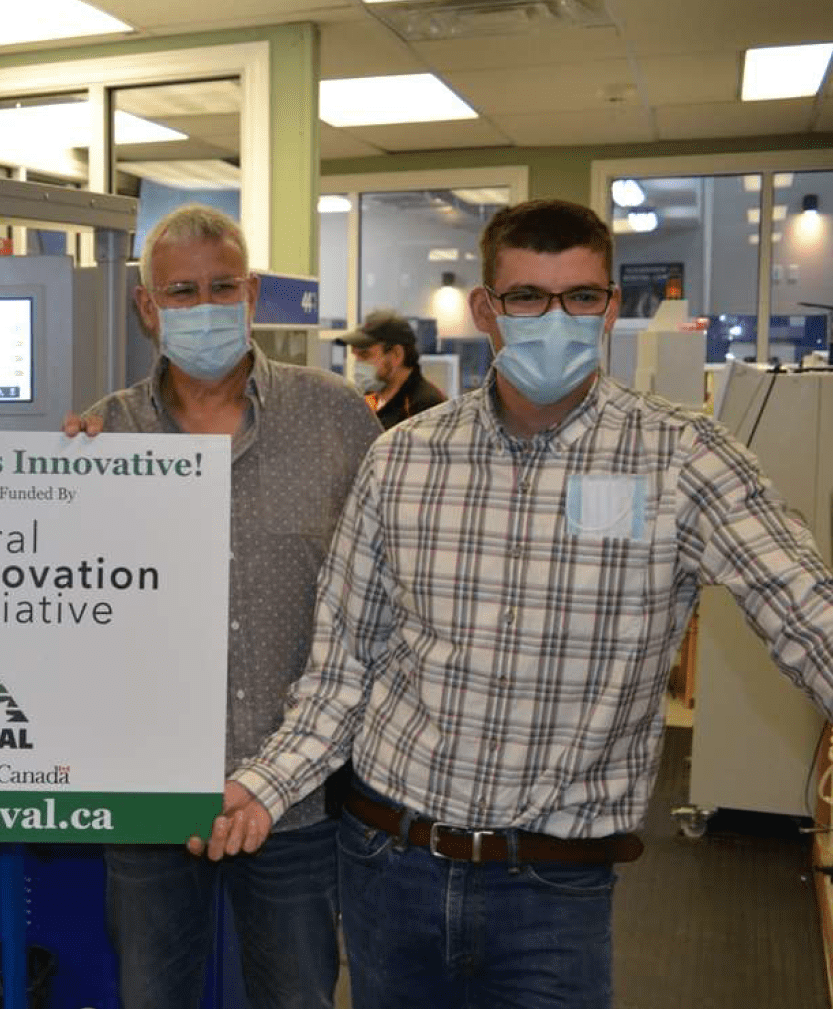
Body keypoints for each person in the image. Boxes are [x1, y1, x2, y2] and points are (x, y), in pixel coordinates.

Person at [199, 198, 833, 1008]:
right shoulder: (405, 460)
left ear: (611, 305)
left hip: (554, 890)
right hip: (390, 864)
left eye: (580, 297)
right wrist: (265, 783)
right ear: (486, 310)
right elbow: (343, 669)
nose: (555, 319)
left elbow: (807, 613)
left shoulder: (682, 458)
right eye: (528, 297)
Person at [65, 204, 382, 1009]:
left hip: (295, 794)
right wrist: (48, 486)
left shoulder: (338, 417)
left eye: (222, 287)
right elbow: (65, 600)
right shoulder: (105, 435)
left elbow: (381, 592)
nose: (203, 306)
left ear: (253, 293)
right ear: (147, 307)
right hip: (148, 790)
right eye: (180, 291)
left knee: (295, 995)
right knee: (152, 995)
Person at [340, 310, 446, 428]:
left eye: (365, 355)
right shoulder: (370, 399)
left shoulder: (427, 406)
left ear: (396, 354)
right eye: (356, 356)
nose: (358, 364)